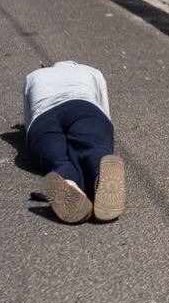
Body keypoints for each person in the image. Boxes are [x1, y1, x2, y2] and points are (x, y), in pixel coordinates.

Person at [23, 60, 126, 224]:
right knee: (93, 147)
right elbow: (104, 109)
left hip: (43, 117)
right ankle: (99, 172)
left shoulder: (33, 76)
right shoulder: (92, 71)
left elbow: (29, 121)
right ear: (75, 64)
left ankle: (69, 181)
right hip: (84, 108)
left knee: (58, 159)